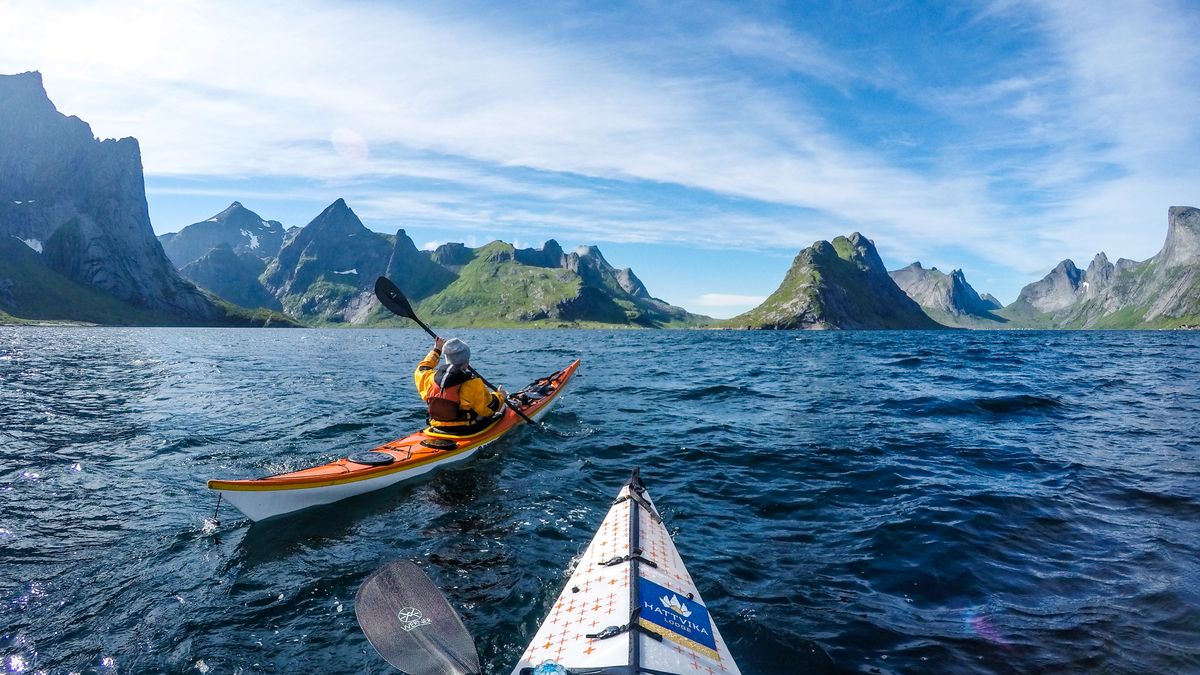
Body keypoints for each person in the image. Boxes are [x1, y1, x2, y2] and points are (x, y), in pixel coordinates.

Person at [414, 337, 507, 435]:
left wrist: (437, 350)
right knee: (495, 408)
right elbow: (488, 409)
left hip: (437, 426)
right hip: (464, 430)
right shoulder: (472, 383)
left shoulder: (429, 378)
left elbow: (422, 368)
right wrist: (500, 396)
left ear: (446, 359)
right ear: (466, 362)